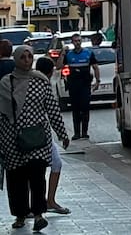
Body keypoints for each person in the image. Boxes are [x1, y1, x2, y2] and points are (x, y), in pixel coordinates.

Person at [0, 44, 70, 232]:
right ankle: (20, 215)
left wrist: (62, 133)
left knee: (38, 175)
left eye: (29, 57)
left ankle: (39, 214)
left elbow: (52, 109)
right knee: (16, 179)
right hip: (12, 139)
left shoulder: (41, 81)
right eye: (22, 57)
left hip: (38, 138)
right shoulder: (6, 82)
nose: (26, 61)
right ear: (16, 59)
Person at [32, 58, 69, 216]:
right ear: (51, 71)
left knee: (34, 168)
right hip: (40, 134)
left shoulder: (26, 81)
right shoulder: (43, 84)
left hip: (25, 134)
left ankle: (42, 203)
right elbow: (53, 112)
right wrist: (63, 135)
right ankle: (48, 202)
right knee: (54, 164)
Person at [59, 34, 100, 139]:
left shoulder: (88, 53)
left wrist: (97, 81)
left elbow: (95, 67)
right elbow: (59, 66)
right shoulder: (69, 55)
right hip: (73, 86)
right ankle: (77, 133)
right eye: (75, 41)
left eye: (79, 41)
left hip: (85, 85)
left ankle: (84, 132)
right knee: (75, 109)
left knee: (85, 108)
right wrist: (62, 54)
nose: (77, 43)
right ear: (72, 42)